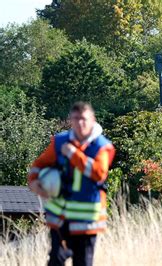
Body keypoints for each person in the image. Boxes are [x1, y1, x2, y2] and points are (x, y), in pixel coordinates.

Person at [28, 102, 115, 266]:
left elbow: (98, 174)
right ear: (71, 120)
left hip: (87, 220)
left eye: (84, 119)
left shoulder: (103, 146)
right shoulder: (60, 141)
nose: (80, 123)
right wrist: (33, 182)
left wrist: (74, 154)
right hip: (60, 217)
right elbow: (39, 164)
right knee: (55, 260)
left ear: (93, 120)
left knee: (82, 262)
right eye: (76, 119)